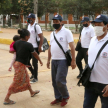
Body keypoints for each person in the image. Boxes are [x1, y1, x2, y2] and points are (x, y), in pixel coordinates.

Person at [4, 29, 43, 105]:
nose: (29, 37)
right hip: (20, 65)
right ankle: (6, 99)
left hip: (17, 64)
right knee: (16, 81)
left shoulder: (16, 43)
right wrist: (40, 60)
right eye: (29, 36)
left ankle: (31, 92)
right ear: (26, 36)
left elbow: (12, 51)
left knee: (26, 78)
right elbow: (35, 54)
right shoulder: (28, 45)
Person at [47, 15, 76, 107]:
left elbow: (72, 46)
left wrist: (73, 60)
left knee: (60, 80)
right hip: (54, 60)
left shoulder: (67, 32)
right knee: (54, 81)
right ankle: (58, 97)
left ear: (61, 22)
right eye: (53, 22)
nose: (54, 23)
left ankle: (65, 96)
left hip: (63, 60)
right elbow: (50, 47)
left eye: (56, 22)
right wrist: (48, 60)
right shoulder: (52, 33)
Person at [83, 14, 108, 108]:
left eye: (99, 24)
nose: (96, 27)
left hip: (105, 85)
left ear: (107, 26)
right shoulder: (93, 39)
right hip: (90, 82)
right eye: (95, 25)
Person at [27, 13, 43, 83]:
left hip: (35, 47)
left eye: (30, 18)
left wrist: (40, 47)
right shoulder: (29, 25)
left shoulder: (36, 26)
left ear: (34, 19)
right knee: (26, 61)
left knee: (34, 63)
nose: (28, 19)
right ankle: (33, 73)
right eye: (28, 18)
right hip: (29, 46)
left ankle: (35, 78)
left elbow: (41, 37)